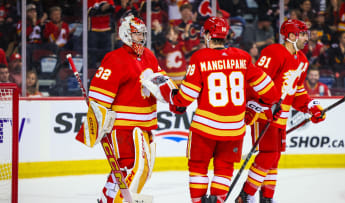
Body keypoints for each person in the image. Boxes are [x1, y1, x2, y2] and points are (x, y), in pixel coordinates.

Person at [143, 16, 280, 203]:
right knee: (224, 167)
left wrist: (170, 95)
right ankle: (218, 200)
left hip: (205, 127)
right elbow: (271, 94)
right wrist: (257, 106)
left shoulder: (200, 57)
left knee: (198, 166)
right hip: (234, 129)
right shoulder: (243, 57)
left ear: (207, 35)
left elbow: (185, 98)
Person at [77, 15, 174, 202]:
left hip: (145, 125)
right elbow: (98, 96)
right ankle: (119, 200)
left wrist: (175, 98)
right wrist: (97, 124)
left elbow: (163, 82)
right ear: (126, 34)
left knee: (127, 169)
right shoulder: (115, 58)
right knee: (134, 168)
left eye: (142, 34)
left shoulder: (149, 56)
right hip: (123, 126)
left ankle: (107, 198)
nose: (141, 38)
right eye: (137, 34)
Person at [238, 19, 327, 203]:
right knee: (268, 154)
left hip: (281, 117)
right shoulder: (274, 52)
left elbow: (297, 91)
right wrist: (258, 106)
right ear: (291, 36)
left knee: (274, 157)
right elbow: (255, 82)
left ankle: (267, 197)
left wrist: (311, 107)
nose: (306, 38)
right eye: (302, 34)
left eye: (306, 34)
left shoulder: (302, 60)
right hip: (264, 113)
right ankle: (246, 195)